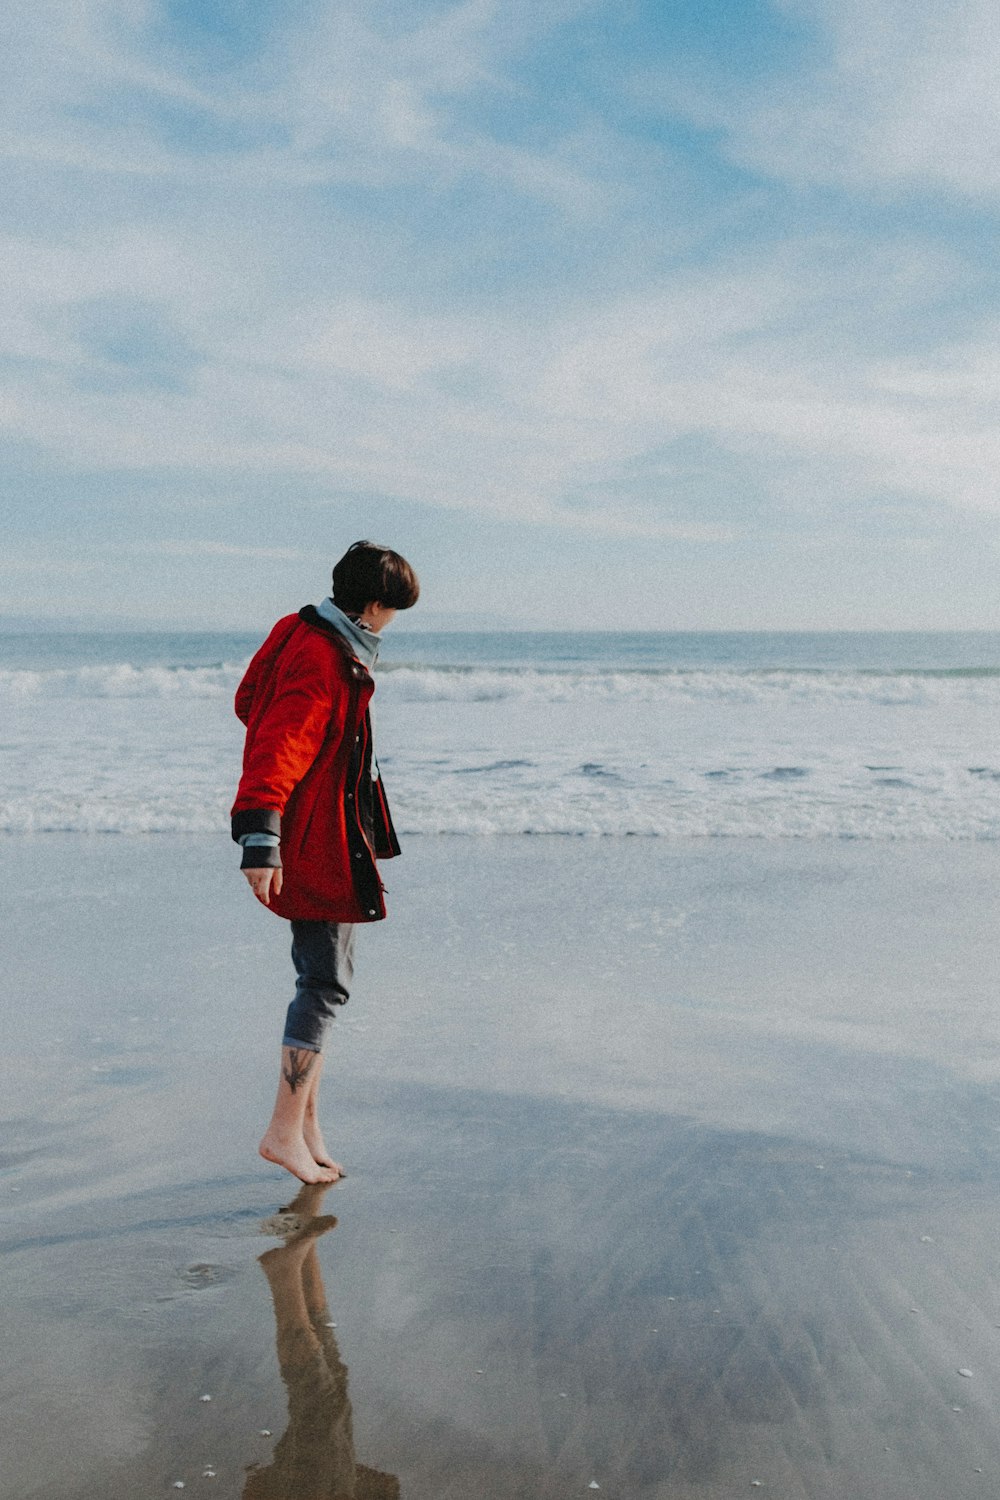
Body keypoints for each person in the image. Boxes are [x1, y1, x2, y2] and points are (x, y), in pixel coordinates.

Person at [231, 541, 419, 1184]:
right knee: (324, 985)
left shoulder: (301, 629)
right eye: (393, 610)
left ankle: (305, 1126)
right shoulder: (324, 656)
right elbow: (280, 744)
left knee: (325, 979)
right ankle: (282, 1131)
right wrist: (262, 837)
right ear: (373, 606)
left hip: (318, 831)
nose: (392, 623)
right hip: (315, 840)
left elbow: (248, 702)